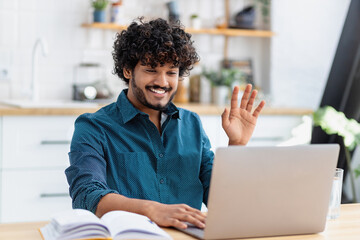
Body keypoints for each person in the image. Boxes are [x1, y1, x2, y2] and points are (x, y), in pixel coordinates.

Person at [65, 17, 265, 230]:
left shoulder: (191, 124)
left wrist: (236, 146)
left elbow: (220, 201)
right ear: (128, 70)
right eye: (151, 70)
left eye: (171, 72)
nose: (162, 82)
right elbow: (86, 196)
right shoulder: (94, 127)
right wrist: (152, 210)